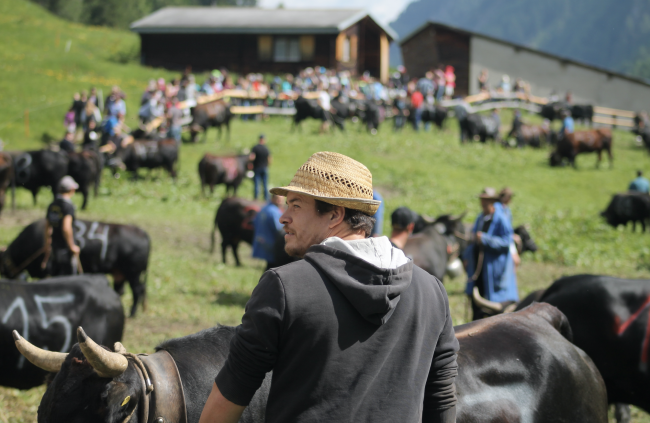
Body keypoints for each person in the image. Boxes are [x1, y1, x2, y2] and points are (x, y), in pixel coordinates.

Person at [199, 151, 458, 423]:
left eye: (296, 205)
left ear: (335, 215)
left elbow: (232, 391)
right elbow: (441, 398)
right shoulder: (432, 291)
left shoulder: (285, 287)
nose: (283, 217)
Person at [463, 187, 518, 321]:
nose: (483, 203)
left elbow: (506, 241)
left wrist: (486, 239)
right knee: (476, 299)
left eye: (487, 200)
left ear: (493, 202)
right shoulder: (480, 218)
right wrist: (466, 255)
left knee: (492, 301)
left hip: (493, 269)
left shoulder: (500, 219)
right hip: (479, 268)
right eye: (482, 200)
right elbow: (473, 239)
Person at [42, 176, 80, 276]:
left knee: (55, 274)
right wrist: (72, 246)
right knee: (67, 276)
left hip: (54, 246)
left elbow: (47, 227)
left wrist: (47, 244)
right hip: (64, 248)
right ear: (72, 190)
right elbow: (66, 228)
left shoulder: (52, 205)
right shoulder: (68, 206)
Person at [252, 193, 285, 270]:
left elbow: (255, 223)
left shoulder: (263, 209)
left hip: (262, 241)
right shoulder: (275, 212)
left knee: (269, 265)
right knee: (273, 266)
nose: (281, 202)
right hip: (272, 244)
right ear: (273, 199)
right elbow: (280, 230)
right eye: (279, 200)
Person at [498, 187, 520, 268]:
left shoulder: (507, 210)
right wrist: (511, 236)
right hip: (503, 238)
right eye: (509, 197)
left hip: (508, 236)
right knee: (515, 261)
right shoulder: (498, 209)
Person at [249, 134, 271, 201]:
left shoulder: (255, 148)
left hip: (257, 168)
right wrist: (267, 165)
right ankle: (266, 199)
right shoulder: (266, 148)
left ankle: (256, 198)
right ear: (264, 140)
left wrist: (250, 163)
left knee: (256, 184)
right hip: (265, 168)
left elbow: (252, 157)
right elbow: (269, 160)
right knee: (265, 184)